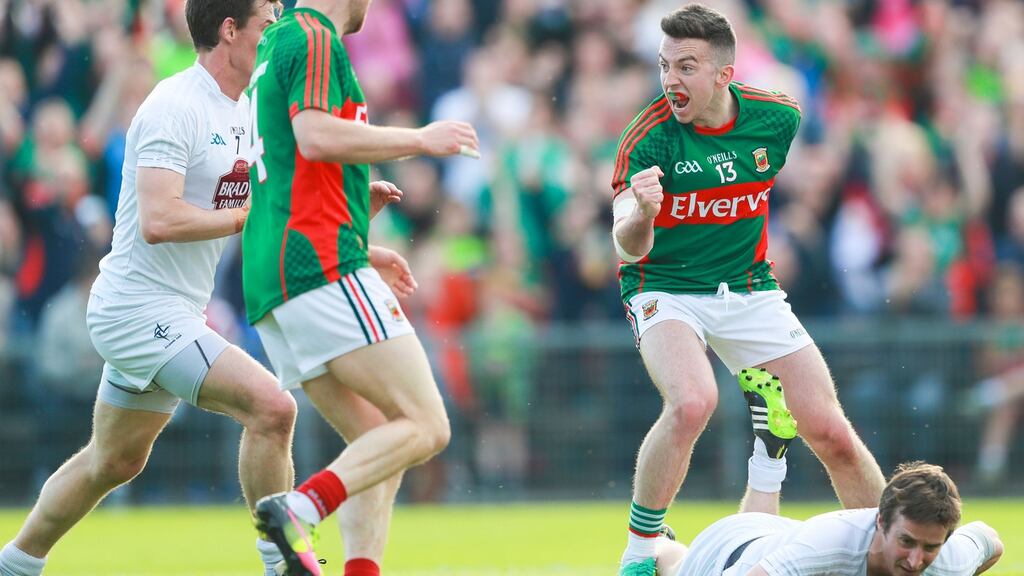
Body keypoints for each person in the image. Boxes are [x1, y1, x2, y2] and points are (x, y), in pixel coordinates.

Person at [0, 2, 302, 575]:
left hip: (168, 310)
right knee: (273, 408)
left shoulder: (246, 108)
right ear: (230, 30)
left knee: (111, 462)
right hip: (138, 311)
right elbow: (159, 221)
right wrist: (249, 218)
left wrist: (355, 220)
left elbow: (279, 199)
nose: (277, 33)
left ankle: (13, 565)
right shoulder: (175, 105)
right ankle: (284, 563)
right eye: (267, 22)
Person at [610, 4, 886, 574]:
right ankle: (640, 550)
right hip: (663, 287)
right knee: (692, 402)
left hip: (750, 288)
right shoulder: (649, 136)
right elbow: (626, 246)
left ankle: (893, 549)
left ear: (724, 74)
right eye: (665, 65)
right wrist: (642, 213)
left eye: (686, 67)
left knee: (831, 430)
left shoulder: (778, 119)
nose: (670, 81)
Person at [240, 1, 480, 575]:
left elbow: (294, 170)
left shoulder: (277, 43)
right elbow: (316, 135)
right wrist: (420, 139)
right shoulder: (314, 36)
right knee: (426, 424)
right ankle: (301, 507)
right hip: (318, 263)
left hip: (276, 275)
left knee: (378, 440)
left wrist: (362, 239)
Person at [654, 460, 1003, 576]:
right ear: (880, 521)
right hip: (729, 550)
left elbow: (991, 541)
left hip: (780, 536)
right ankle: (657, 547)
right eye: (906, 542)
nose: (915, 561)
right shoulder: (831, 545)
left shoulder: (949, 563)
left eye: (930, 547)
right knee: (674, 567)